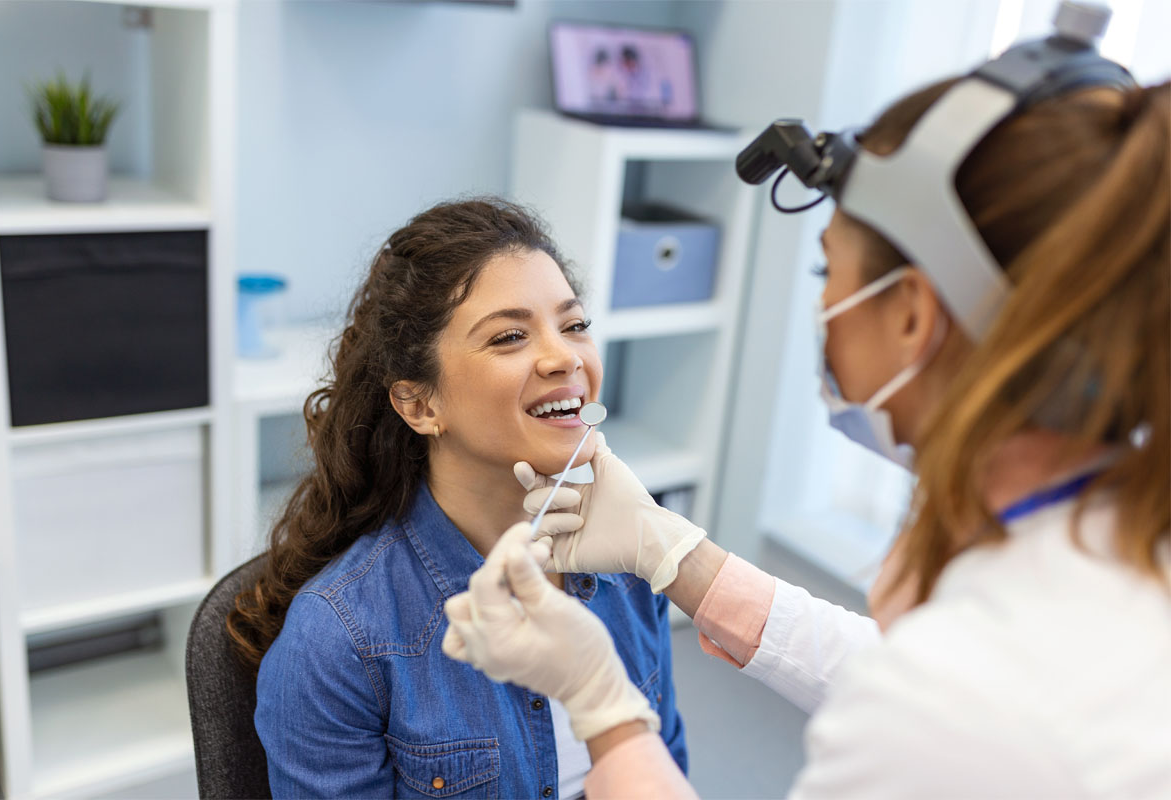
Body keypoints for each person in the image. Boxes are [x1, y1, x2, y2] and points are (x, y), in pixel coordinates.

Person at [442, 25, 1171, 800]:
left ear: (912, 317)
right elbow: (895, 674)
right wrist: (678, 558)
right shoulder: (1114, 541)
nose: (823, 302)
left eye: (830, 269)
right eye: (512, 336)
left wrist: (604, 708)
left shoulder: (962, 701)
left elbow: (935, 709)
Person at [226, 198, 688, 797]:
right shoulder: (338, 641)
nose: (566, 356)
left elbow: (666, 765)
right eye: (510, 336)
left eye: (574, 325)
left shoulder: (632, 562)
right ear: (420, 405)